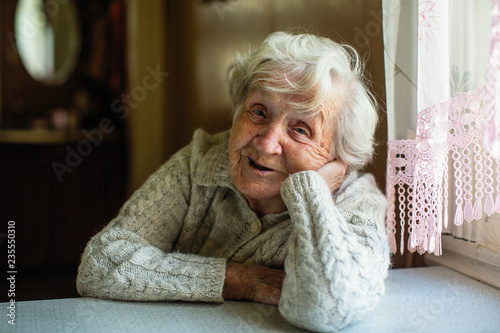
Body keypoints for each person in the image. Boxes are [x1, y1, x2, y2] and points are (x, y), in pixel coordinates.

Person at [77, 31, 390, 332]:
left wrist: (312, 192)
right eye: (258, 112)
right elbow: (98, 264)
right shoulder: (201, 161)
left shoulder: (356, 202)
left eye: (301, 130)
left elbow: (330, 306)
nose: (266, 144)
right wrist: (237, 279)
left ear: (339, 158)